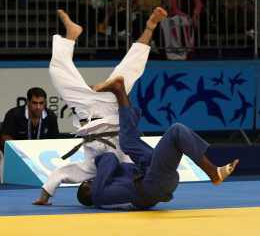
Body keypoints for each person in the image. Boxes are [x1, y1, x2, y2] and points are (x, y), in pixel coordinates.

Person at [33, 7, 168, 205]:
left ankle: (71, 34)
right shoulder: (124, 167)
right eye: (89, 186)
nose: (89, 183)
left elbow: (61, 173)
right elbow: (142, 170)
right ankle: (150, 27)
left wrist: (44, 196)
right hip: (111, 110)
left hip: (86, 112)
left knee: (57, 72)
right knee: (129, 69)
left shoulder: (88, 168)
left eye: (86, 185)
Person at [77, 76, 239, 209]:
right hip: (151, 186)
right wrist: (99, 170)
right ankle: (213, 172)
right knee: (176, 130)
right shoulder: (99, 195)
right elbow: (108, 158)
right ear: (87, 192)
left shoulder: (106, 186)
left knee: (128, 142)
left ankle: (119, 91)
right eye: (87, 183)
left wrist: (104, 173)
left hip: (150, 176)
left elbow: (111, 161)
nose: (91, 180)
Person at [0, 87, 59, 152]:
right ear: (28, 102)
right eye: (34, 103)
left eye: (41, 103)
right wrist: (19, 151)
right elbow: (5, 138)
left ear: (45, 103)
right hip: (18, 153)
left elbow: (55, 141)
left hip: (42, 154)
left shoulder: (51, 116)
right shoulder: (14, 114)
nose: (38, 107)